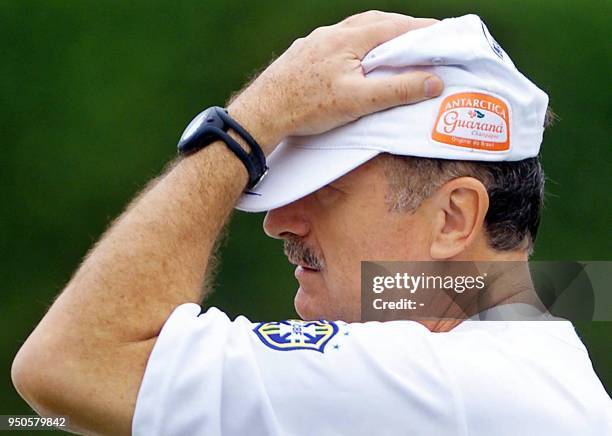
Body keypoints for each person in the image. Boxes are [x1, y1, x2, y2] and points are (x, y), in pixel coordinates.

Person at [11, 11, 611, 436]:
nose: (277, 222)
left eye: (325, 188)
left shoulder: (444, 384)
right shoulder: (508, 373)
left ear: (454, 218)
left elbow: (72, 363)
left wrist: (248, 124)